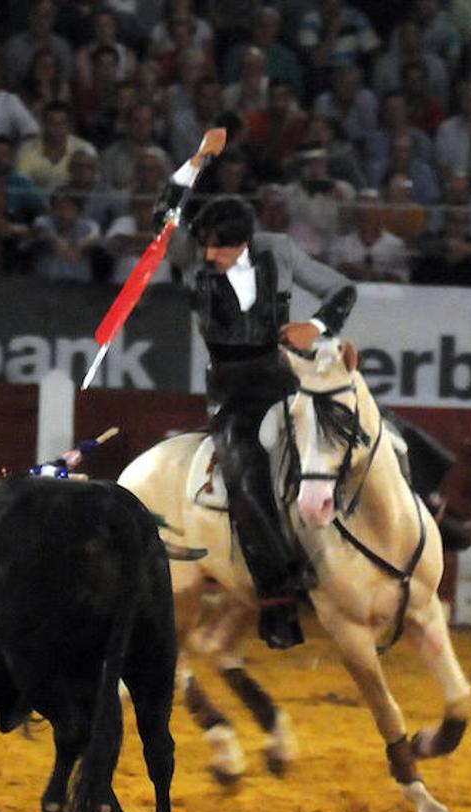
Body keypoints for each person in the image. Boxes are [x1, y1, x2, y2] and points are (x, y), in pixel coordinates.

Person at [156, 128, 356, 650]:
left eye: (218, 249)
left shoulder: (280, 251)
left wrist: (317, 327)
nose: (209, 257)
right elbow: (164, 216)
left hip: (284, 376)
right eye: (205, 248)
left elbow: (341, 290)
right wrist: (197, 159)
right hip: (232, 393)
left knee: (354, 424)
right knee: (246, 476)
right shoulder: (192, 259)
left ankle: (433, 506)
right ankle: (277, 599)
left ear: (243, 243)